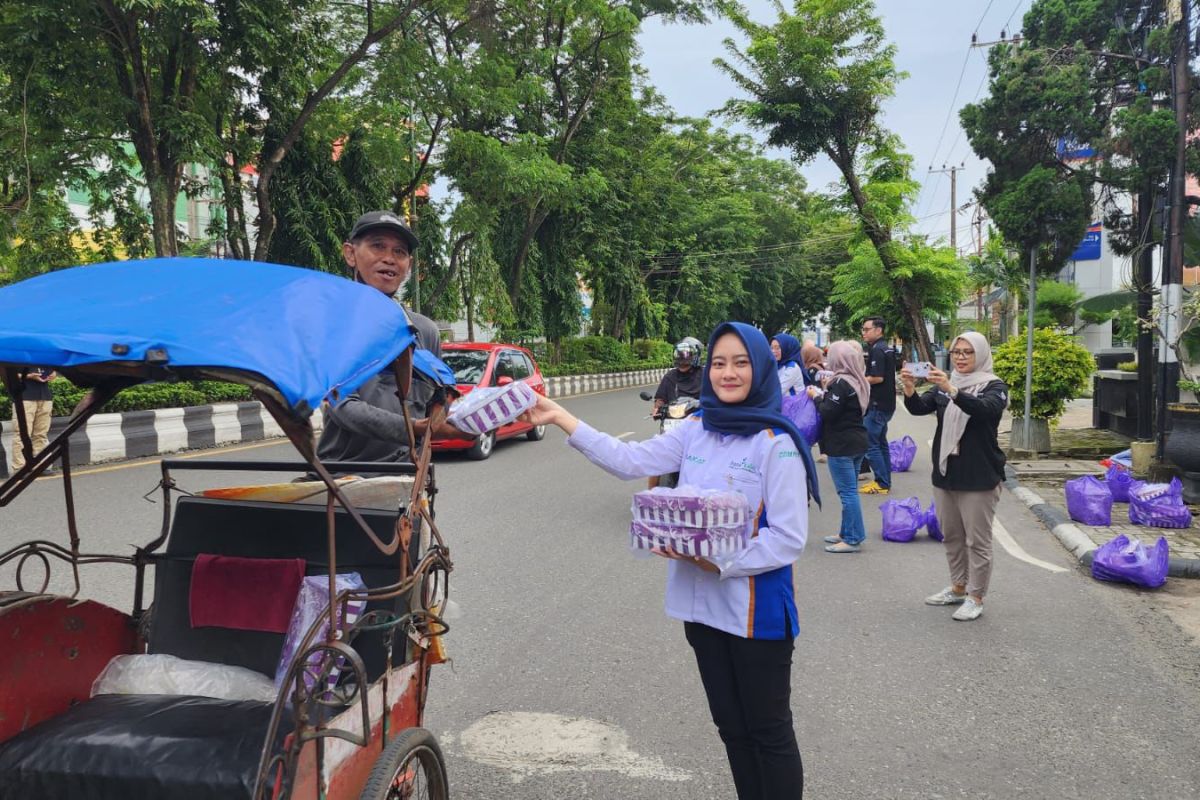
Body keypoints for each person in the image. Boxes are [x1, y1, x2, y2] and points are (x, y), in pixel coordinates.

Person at [522, 322, 819, 799]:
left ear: (761, 367)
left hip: (755, 613)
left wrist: (720, 561)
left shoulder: (775, 443)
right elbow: (629, 460)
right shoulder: (697, 429)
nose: (728, 372)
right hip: (701, 611)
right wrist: (562, 418)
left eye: (741, 362)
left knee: (769, 731)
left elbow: (788, 539)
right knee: (732, 729)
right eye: (719, 362)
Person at [316, 211, 466, 472]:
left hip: (409, 484)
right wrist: (414, 429)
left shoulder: (424, 331)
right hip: (342, 482)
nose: (389, 258)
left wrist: (470, 418)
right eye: (377, 246)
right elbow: (343, 407)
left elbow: (439, 401)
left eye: (400, 251)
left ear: (409, 263)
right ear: (350, 253)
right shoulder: (331, 325)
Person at [901, 331, 1008, 622]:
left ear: (981, 354)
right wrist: (910, 388)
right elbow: (920, 408)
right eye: (956, 352)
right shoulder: (946, 385)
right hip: (947, 472)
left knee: (978, 541)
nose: (960, 357)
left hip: (979, 474)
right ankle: (958, 587)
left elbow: (984, 411)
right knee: (952, 536)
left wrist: (951, 389)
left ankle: (976, 596)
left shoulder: (994, 386)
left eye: (967, 352)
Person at [807, 341, 869, 554]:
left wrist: (816, 397)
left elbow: (828, 412)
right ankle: (846, 532)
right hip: (858, 441)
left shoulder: (841, 383)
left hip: (842, 444)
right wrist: (826, 392)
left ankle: (853, 538)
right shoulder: (857, 380)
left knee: (847, 492)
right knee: (849, 491)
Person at [859, 317, 896, 496]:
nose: (863, 333)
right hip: (886, 403)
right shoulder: (886, 348)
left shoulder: (878, 350)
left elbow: (878, 377)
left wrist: (857, 382)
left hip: (877, 404)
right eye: (863, 329)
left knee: (871, 444)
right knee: (881, 444)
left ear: (878, 330)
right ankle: (884, 481)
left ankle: (881, 482)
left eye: (867, 329)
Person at [9, 367, 56, 474]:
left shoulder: (42, 355)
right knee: (21, 434)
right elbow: (8, 375)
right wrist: (29, 376)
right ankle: (19, 468)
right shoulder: (16, 354)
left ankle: (40, 466)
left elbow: (52, 371)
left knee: (41, 434)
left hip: (45, 397)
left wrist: (53, 374)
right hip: (24, 398)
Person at [652, 337, 704, 414]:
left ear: (696, 356)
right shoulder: (670, 377)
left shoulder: (706, 375)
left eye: (686, 356)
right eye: (679, 356)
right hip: (674, 420)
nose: (682, 361)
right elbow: (660, 399)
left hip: (699, 418)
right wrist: (657, 408)